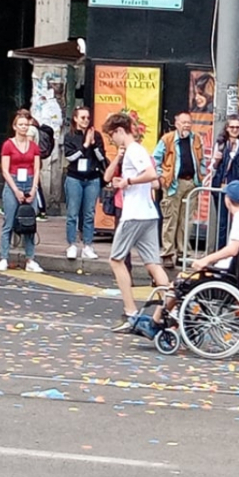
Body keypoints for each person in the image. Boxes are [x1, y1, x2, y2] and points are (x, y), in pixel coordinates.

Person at [150, 181, 239, 328]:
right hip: (237, 276)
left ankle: (155, 321)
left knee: (179, 283)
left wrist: (206, 260)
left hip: (225, 276)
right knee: (186, 282)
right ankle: (174, 320)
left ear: (227, 200)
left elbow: (233, 249)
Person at [103, 112, 170, 332]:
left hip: (134, 215)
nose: (112, 141)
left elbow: (151, 175)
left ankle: (130, 312)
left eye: (112, 136)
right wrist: (127, 181)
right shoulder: (137, 151)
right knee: (153, 264)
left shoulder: (133, 150)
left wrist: (128, 181)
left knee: (116, 260)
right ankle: (171, 308)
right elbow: (152, 181)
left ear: (120, 131)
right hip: (149, 214)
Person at [152, 110, 206, 269]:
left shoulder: (196, 139)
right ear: (177, 124)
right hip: (173, 184)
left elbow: (202, 160)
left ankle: (183, 253)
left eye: (189, 122)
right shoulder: (167, 139)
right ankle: (168, 254)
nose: (187, 125)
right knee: (170, 219)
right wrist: (161, 177)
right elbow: (155, 160)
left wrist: (201, 176)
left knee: (186, 221)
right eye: (184, 122)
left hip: (191, 183)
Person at [0, 110, 43, 273]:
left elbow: (36, 169)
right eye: (21, 124)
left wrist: (33, 189)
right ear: (14, 126)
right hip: (13, 182)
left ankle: (30, 259)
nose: (24, 127)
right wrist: (15, 190)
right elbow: (5, 169)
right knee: (8, 222)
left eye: (26, 125)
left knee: (29, 223)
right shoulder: (8, 145)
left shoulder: (34, 146)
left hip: (29, 182)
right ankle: (3, 257)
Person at [62, 106, 106, 260]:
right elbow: (70, 157)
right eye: (82, 118)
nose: (86, 120)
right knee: (72, 213)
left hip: (92, 178)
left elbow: (102, 158)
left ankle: (88, 245)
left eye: (88, 118)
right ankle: (72, 244)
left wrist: (93, 144)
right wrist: (85, 145)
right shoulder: (70, 136)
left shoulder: (96, 135)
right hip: (75, 177)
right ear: (75, 119)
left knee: (89, 213)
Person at [208, 115, 239, 249]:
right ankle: (221, 250)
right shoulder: (221, 144)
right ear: (227, 128)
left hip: (238, 187)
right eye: (232, 127)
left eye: (237, 127)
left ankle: (237, 250)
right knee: (222, 221)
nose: (235, 130)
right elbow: (213, 167)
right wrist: (216, 160)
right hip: (222, 186)